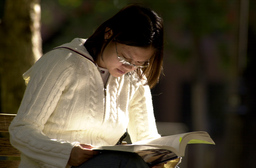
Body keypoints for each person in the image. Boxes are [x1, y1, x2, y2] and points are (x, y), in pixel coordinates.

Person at [9, 4, 164, 168]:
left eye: (139, 63)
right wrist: (67, 153)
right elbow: (21, 130)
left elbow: (147, 138)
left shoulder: (134, 79)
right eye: (125, 57)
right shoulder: (62, 63)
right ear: (108, 34)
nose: (129, 67)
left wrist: (163, 156)